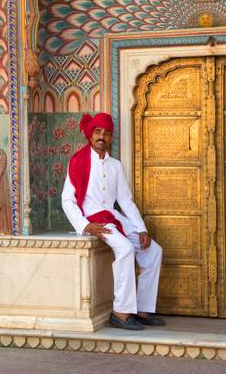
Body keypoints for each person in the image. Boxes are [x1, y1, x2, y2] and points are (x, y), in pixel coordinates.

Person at [61, 112, 165, 331]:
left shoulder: (115, 165)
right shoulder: (78, 161)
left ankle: (142, 310)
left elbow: (125, 201)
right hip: (93, 220)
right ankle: (120, 312)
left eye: (106, 133)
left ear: (110, 138)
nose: (102, 136)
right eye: (98, 132)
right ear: (90, 135)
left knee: (153, 251)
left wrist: (141, 228)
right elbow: (67, 200)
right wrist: (84, 226)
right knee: (126, 249)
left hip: (113, 218)